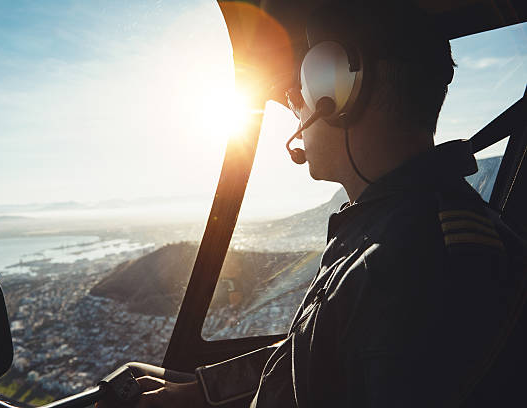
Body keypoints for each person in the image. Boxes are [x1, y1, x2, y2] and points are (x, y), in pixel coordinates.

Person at [98, 1, 527, 407]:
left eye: (300, 86)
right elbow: (314, 354)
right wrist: (200, 393)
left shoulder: (418, 268)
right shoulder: (387, 228)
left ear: (339, 91)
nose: (294, 105)